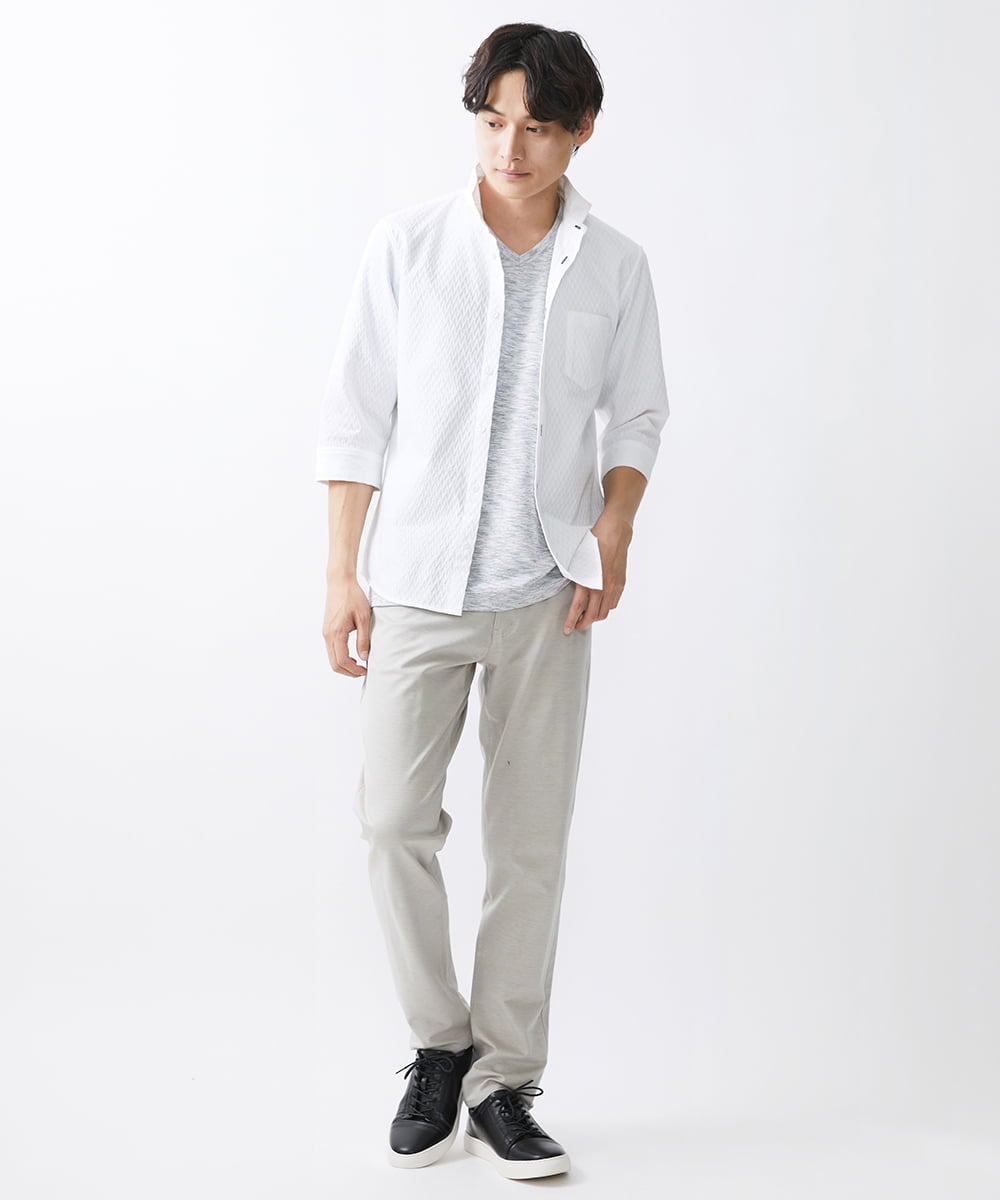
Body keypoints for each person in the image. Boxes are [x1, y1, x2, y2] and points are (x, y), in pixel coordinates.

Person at [315, 22, 669, 1180]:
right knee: (390, 823)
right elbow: (355, 415)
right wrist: (342, 572)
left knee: (528, 849)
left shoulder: (614, 266)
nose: (510, 149)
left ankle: (504, 1081)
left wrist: (614, 525)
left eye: (538, 127)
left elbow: (638, 412)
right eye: (492, 121)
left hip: (545, 599)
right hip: (416, 587)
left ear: (582, 131)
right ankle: (439, 1046)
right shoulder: (408, 246)